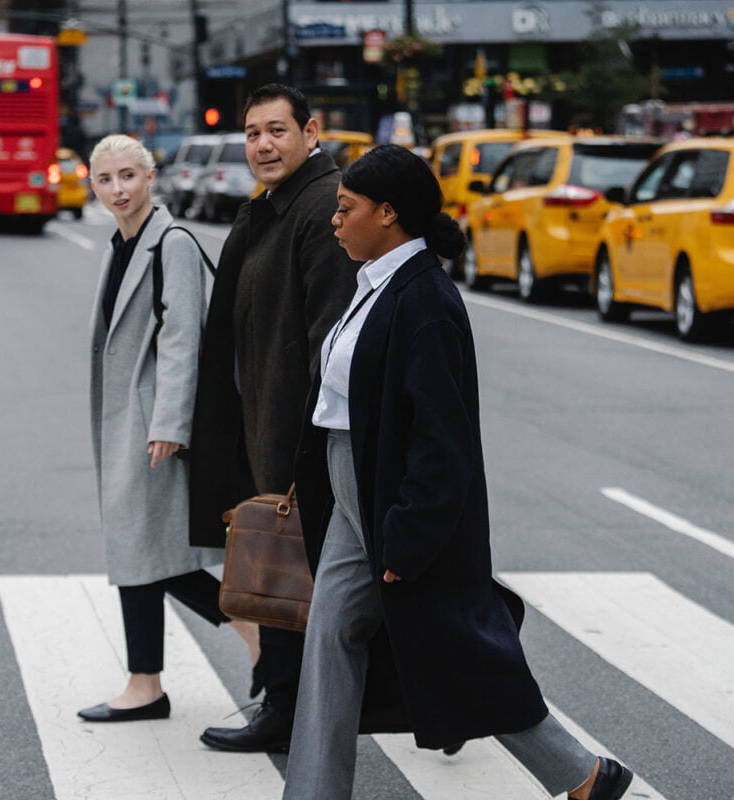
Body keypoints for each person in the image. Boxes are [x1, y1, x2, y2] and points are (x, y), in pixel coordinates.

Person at [283, 144, 635, 800]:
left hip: (394, 498)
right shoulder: (375, 286)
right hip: (351, 480)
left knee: (462, 649)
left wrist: (411, 533)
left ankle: (583, 775)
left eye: (346, 209)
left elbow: (443, 440)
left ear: (387, 214)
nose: (336, 220)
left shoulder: (427, 301)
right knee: (332, 635)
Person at [187, 84, 358, 752]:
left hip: (299, 435)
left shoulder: (322, 207)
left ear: (310, 132)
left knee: (293, 579)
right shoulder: (268, 207)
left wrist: (305, 446)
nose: (263, 144)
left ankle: (285, 711)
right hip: (266, 424)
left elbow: (328, 335)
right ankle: (285, 701)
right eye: (253, 132)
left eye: (277, 130)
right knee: (291, 575)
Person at [78, 134, 259, 723]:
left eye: (128, 176)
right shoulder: (120, 244)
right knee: (152, 550)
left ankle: (149, 680)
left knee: (141, 547)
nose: (118, 190)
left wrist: (171, 423)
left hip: (153, 422)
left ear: (151, 178)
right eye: (105, 180)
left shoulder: (170, 243)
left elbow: (184, 335)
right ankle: (226, 643)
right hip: (127, 416)